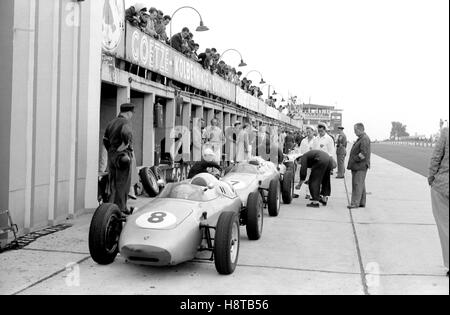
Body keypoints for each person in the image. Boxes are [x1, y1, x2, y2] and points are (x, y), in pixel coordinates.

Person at [103, 103, 135, 214]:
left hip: (111, 156)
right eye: (132, 113)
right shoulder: (125, 122)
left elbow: (105, 140)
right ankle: (121, 208)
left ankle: (111, 209)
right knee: (123, 183)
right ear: (128, 112)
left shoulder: (111, 123)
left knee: (112, 183)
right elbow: (126, 134)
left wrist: (112, 151)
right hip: (123, 157)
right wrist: (124, 146)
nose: (132, 115)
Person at [428, 127, 449, 277]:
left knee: (445, 227)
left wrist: (431, 176)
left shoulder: (446, 132)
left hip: (443, 186)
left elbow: (436, 157)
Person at [347, 123, 371, 209]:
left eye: (355, 130)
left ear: (360, 129)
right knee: (361, 184)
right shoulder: (362, 138)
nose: (354, 132)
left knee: (357, 184)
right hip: (359, 165)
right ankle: (361, 202)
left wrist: (354, 159)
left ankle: (355, 203)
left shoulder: (364, 139)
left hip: (360, 165)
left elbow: (363, 153)